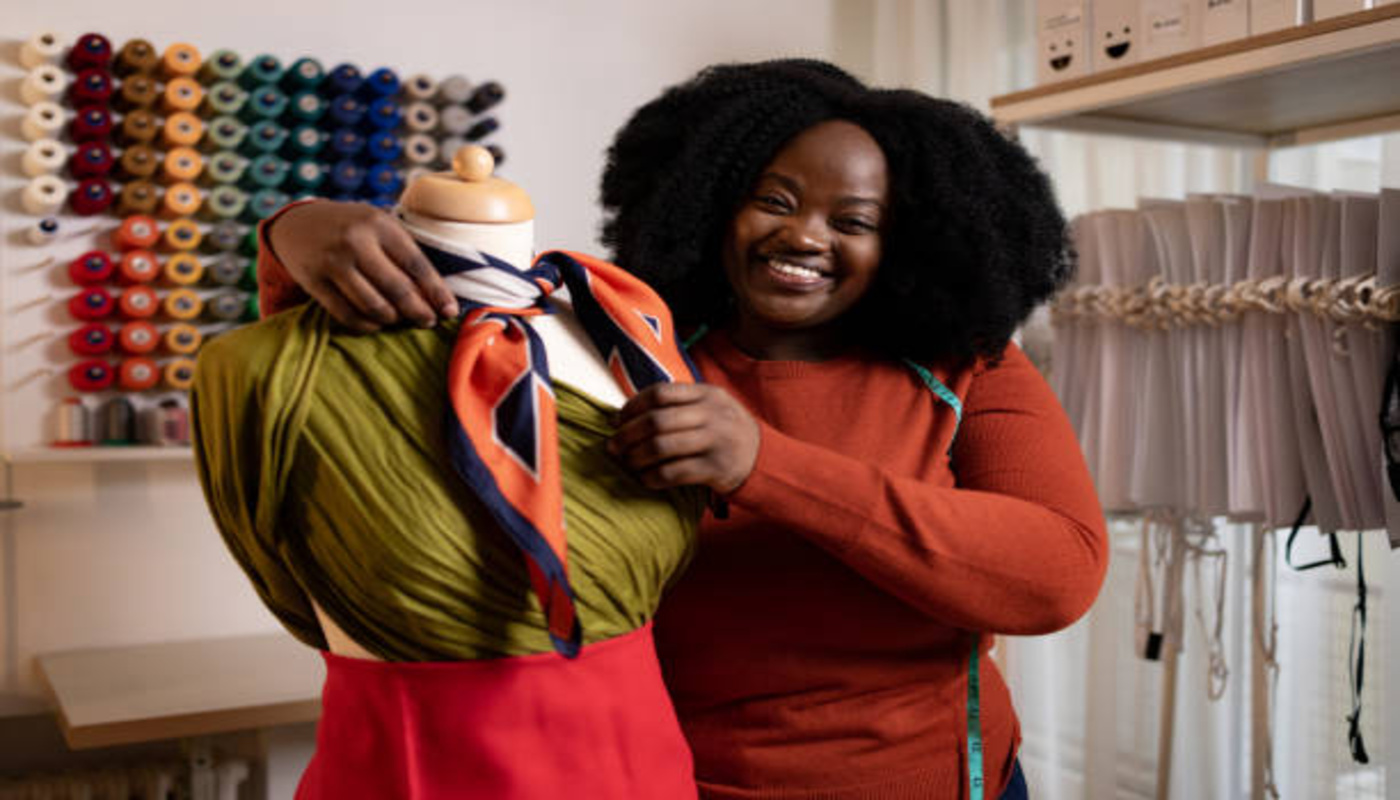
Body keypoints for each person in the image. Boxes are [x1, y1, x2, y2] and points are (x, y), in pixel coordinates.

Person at [257, 59, 1108, 800]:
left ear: (911, 243)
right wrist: (291, 231)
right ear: (708, 202)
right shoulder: (616, 346)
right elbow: (365, 380)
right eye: (772, 200)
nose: (803, 235)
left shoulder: (965, 366)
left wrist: (763, 464)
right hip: (664, 780)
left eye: (853, 222)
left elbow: (1056, 573)